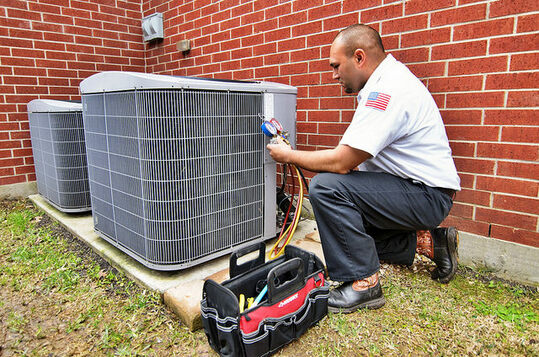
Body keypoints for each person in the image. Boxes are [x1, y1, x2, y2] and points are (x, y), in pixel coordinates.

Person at [267, 24, 461, 313]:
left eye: (336, 66)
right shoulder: (384, 82)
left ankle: (364, 282)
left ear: (359, 58)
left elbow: (341, 162)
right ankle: (430, 243)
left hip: (426, 196)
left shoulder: (386, 91)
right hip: (417, 191)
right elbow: (352, 159)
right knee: (346, 233)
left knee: (325, 188)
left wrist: (289, 155)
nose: (334, 75)